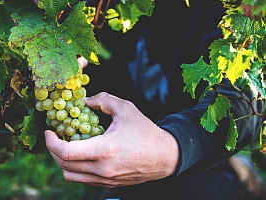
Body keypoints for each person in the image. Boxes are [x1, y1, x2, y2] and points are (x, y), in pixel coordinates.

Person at [45, 0, 266, 199]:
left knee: (199, 189)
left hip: (199, 164)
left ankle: (238, 175)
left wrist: (171, 149)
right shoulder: (103, 7)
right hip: (129, 154)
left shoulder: (230, 9)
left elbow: (244, 100)